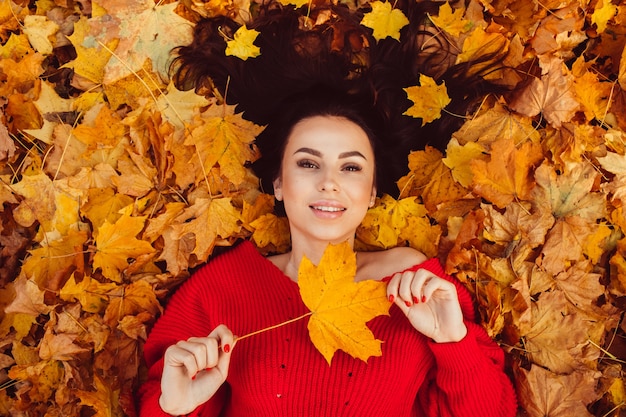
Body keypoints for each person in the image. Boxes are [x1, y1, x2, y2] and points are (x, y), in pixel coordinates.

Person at [136, 86, 518, 416]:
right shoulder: (223, 288)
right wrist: (173, 407)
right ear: (280, 184)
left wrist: (453, 342)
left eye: (350, 168)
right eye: (308, 163)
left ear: (371, 194)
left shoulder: (415, 286)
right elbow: (162, 397)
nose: (329, 183)